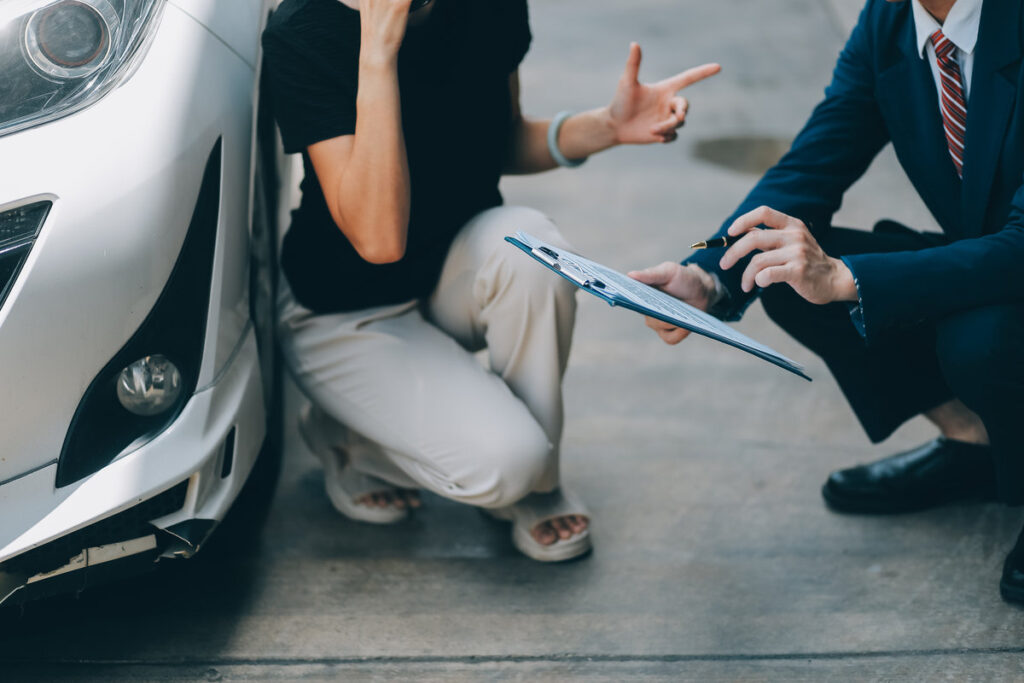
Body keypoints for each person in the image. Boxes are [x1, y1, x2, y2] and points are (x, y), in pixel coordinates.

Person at [262, 0, 719, 562]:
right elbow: (379, 240)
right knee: (505, 465)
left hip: (446, 274)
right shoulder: (306, 28)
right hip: (341, 311)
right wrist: (377, 51)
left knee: (531, 246)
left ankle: (539, 487)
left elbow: (496, 140)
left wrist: (607, 127)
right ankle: (352, 440)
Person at [631, 0, 1024, 602]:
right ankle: (981, 445)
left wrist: (847, 276)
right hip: (991, 270)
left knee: (979, 339)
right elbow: (815, 161)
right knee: (781, 271)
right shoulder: (890, 21)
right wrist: (710, 278)